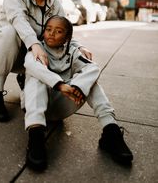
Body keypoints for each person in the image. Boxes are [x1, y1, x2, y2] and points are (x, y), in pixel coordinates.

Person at [0, 0, 91, 122]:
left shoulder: (54, 4)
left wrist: (79, 47)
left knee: (31, 106)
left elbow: (64, 30)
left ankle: (26, 81)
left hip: (29, 56)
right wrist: (35, 44)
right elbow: (18, 19)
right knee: (10, 32)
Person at [24, 15, 133, 171]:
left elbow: (92, 68)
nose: (51, 34)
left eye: (58, 31)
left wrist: (78, 87)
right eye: (48, 29)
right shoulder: (36, 49)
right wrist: (60, 84)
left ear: (67, 37)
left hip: (63, 103)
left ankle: (111, 132)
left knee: (91, 83)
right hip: (35, 109)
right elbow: (31, 65)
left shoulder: (72, 51)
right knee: (36, 78)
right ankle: (36, 139)